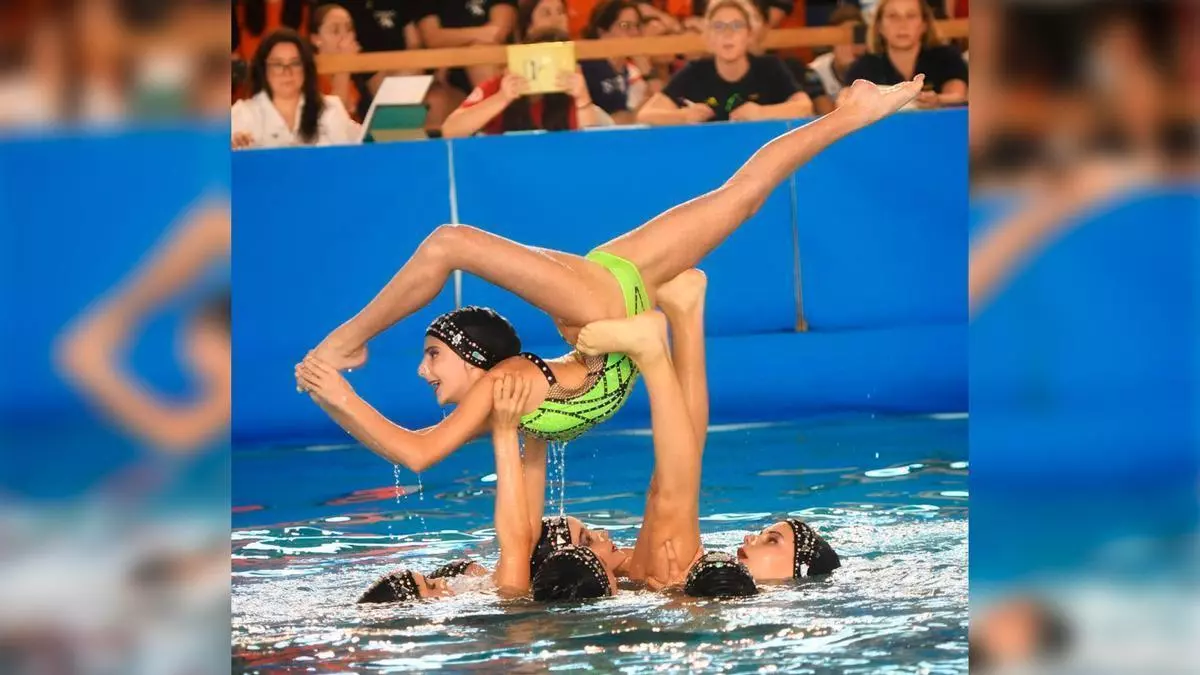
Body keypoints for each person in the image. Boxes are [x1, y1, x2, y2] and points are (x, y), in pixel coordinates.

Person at [298, 73, 926, 474]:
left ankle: (349, 340)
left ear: (472, 359)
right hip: (612, 312)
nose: (422, 370)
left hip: (603, 313)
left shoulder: (504, 389)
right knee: (742, 196)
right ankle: (849, 114)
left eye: (433, 355)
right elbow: (426, 451)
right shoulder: (504, 402)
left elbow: (416, 452)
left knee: (449, 243)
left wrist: (339, 393)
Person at [637, 0, 813, 126]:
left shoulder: (769, 67)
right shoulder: (695, 72)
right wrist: (683, 116)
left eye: (736, 26)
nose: (728, 34)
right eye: (719, 27)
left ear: (750, 34)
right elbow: (646, 115)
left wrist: (761, 113)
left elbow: (804, 107)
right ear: (709, 37)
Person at [440, 27, 610, 138]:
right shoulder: (498, 86)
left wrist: (583, 99)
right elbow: (450, 130)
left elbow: (591, 146)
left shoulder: (571, 90)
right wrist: (502, 98)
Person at [231, 28, 361, 148]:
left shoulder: (331, 108)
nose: (287, 72)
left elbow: (361, 147)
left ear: (305, 68)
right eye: (278, 64)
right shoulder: (243, 114)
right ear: (263, 70)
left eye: (295, 63)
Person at [843, 0, 966, 109]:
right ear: (879, 26)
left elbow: (958, 96)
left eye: (911, 16)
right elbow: (844, 101)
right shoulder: (864, 66)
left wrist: (938, 100)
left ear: (924, 25)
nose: (902, 25)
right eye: (893, 16)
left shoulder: (946, 57)